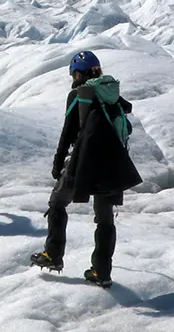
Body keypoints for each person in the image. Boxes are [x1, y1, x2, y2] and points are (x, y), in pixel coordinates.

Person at [31, 50, 140, 287]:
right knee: (105, 220)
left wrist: (58, 163)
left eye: (73, 74)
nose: (73, 79)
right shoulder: (112, 96)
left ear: (78, 73)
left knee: (58, 202)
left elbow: (68, 131)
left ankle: (53, 255)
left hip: (84, 162)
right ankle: (102, 272)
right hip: (112, 164)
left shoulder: (80, 96)